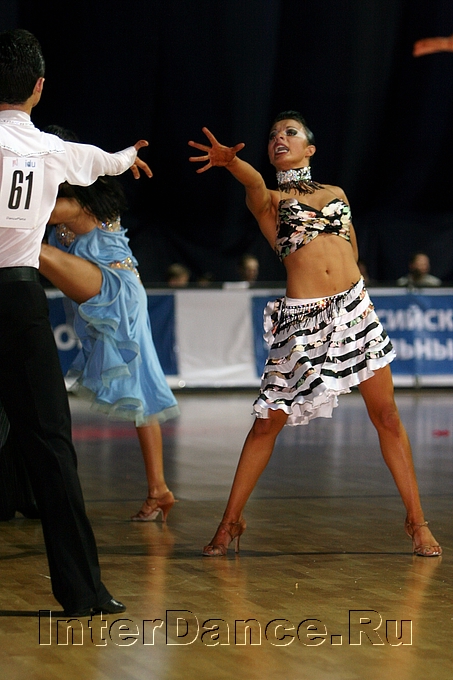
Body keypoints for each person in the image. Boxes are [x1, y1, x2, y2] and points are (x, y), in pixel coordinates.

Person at [188, 111, 442, 558]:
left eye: (290, 133)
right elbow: (252, 182)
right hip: (302, 320)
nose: (279, 138)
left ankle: (416, 522)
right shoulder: (269, 200)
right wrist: (231, 162)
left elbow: (351, 248)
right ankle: (230, 522)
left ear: (310, 149)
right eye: (273, 135)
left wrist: (353, 294)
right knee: (266, 424)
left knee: (387, 416)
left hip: (353, 310)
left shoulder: (337, 194)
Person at [0, 28, 151, 616]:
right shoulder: (54, 150)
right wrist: (131, 156)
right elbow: (106, 160)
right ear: (39, 87)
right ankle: (84, 592)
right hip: (18, 303)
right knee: (51, 445)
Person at [40, 125, 179, 523]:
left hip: (116, 290)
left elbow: (21, 212)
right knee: (140, 392)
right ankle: (159, 489)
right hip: (109, 290)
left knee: (36, 250)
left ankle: (159, 488)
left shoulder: (72, 206)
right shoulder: (67, 198)